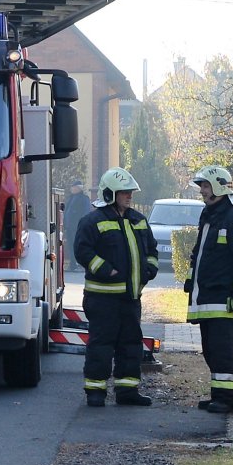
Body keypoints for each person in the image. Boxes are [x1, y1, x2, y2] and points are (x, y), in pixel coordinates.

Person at [72, 166, 158, 407]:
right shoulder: (92, 221)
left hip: (131, 298)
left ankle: (127, 391)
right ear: (110, 194)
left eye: (130, 192)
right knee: (101, 344)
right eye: (124, 192)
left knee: (130, 344)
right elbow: (82, 251)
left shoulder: (138, 220)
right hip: (103, 298)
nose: (129, 196)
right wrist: (105, 269)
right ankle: (96, 391)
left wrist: (149, 269)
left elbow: (151, 250)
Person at [185, 165, 233, 414]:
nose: (202, 191)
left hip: (225, 300)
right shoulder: (209, 216)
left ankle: (226, 400)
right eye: (202, 186)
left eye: (205, 186)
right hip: (207, 298)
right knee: (211, 350)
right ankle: (222, 395)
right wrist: (190, 280)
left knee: (222, 352)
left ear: (217, 187)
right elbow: (199, 254)